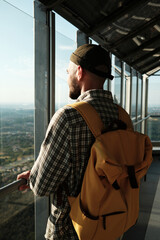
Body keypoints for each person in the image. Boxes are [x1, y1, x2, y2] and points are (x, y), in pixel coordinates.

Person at [17, 44, 133, 240]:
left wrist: (35, 176)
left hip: (70, 230)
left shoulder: (68, 117)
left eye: (68, 71)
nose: (68, 75)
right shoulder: (124, 117)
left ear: (79, 72)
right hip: (111, 224)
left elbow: (42, 186)